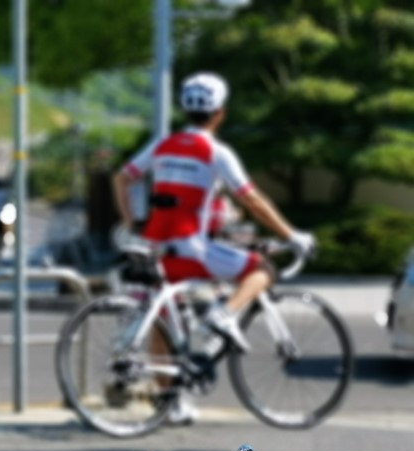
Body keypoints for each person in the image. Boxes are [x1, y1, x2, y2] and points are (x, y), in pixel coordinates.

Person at [112, 71, 315, 424]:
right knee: (262, 269)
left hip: (155, 247)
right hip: (191, 247)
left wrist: (133, 221)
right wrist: (291, 234)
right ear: (220, 112)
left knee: (163, 321)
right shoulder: (215, 151)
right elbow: (251, 198)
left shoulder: (163, 144)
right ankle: (224, 315)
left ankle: (170, 403)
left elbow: (122, 177)